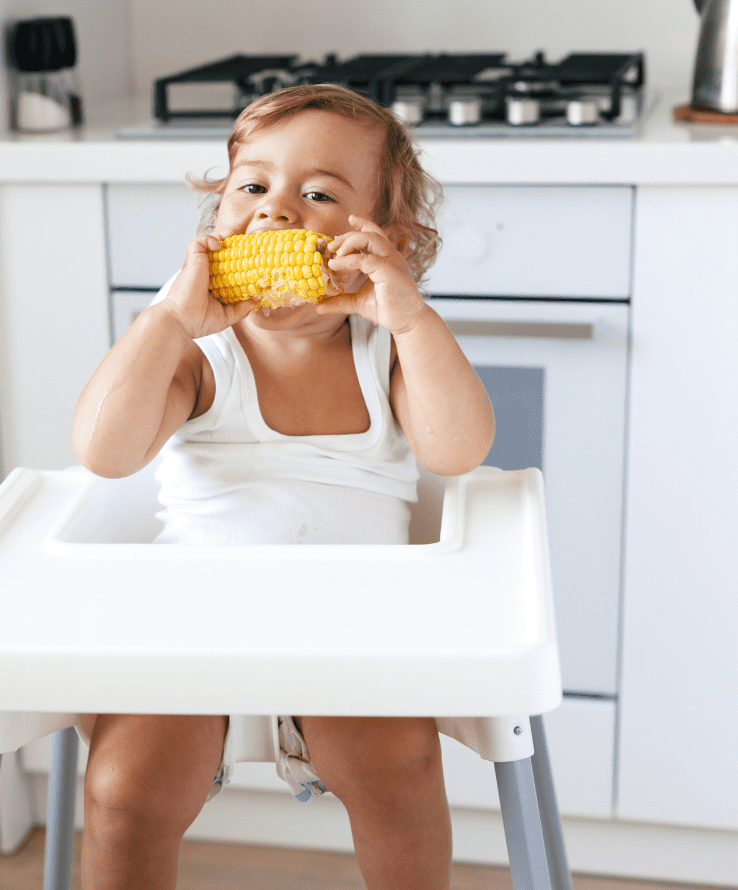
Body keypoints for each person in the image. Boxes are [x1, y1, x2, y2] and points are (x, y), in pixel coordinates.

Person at [72, 83, 495, 890]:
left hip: (352, 624)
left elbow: (458, 450)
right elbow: (104, 452)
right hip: (195, 622)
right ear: (217, 221)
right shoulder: (200, 359)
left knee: (402, 774)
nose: (276, 212)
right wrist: (163, 322)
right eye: (253, 188)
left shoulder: (385, 353)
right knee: (124, 790)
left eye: (319, 193)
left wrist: (410, 318)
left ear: (386, 238)